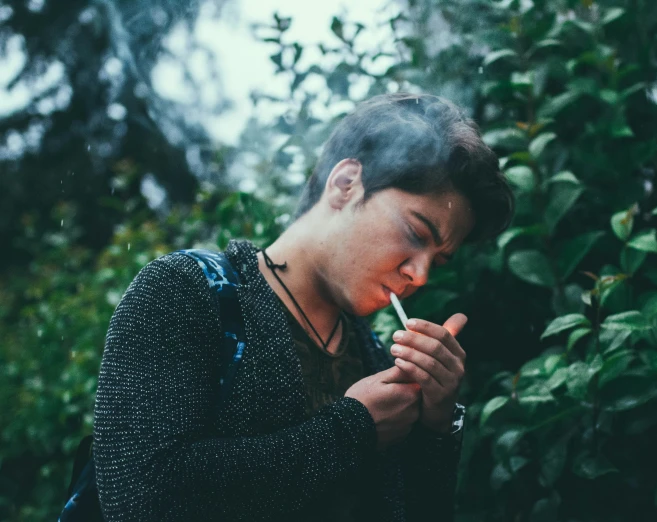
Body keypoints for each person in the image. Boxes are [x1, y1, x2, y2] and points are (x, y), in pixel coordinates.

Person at [92, 92, 514, 521]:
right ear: (345, 184)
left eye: (438, 261)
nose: (420, 275)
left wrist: (435, 426)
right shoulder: (185, 292)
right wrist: (352, 430)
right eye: (415, 232)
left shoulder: (375, 361)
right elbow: (140, 497)